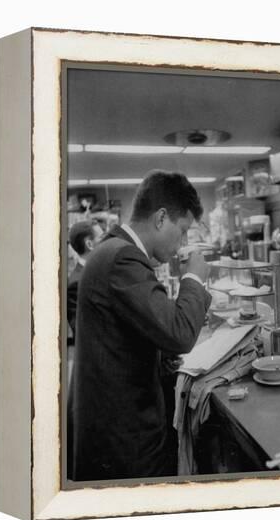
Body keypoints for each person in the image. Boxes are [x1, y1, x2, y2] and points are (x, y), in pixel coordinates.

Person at [67, 170, 211, 481]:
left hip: (109, 430)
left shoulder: (110, 250)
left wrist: (158, 358)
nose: (183, 243)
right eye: (183, 231)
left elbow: (120, 337)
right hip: (125, 443)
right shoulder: (123, 259)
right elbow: (179, 333)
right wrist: (194, 277)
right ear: (161, 218)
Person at [67, 221, 104, 338]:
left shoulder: (100, 270)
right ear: (90, 244)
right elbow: (82, 331)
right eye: (102, 238)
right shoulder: (76, 283)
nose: (106, 242)